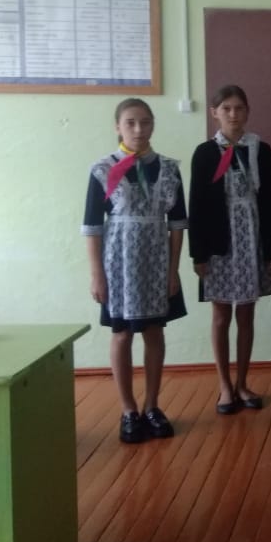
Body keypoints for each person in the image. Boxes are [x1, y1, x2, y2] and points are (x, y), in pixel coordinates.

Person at [82, 98, 187, 443]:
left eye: (145, 122)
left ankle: (152, 405)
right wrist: (97, 274)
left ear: (153, 124)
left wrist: (173, 270)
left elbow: (177, 225)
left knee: (154, 332)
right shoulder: (103, 170)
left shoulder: (169, 169)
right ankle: (128, 410)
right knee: (122, 334)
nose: (139, 129)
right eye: (130, 122)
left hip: (157, 263)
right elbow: (92, 227)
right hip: (120, 265)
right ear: (118, 126)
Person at [189, 84, 271, 415]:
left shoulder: (260, 150)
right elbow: (197, 205)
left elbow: (270, 202)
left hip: (252, 239)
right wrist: (198, 254)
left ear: (247, 112)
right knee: (221, 314)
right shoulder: (205, 153)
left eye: (239, 108)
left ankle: (242, 382)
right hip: (219, 244)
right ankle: (225, 386)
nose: (233, 114)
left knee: (246, 314)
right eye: (226, 108)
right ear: (214, 113)